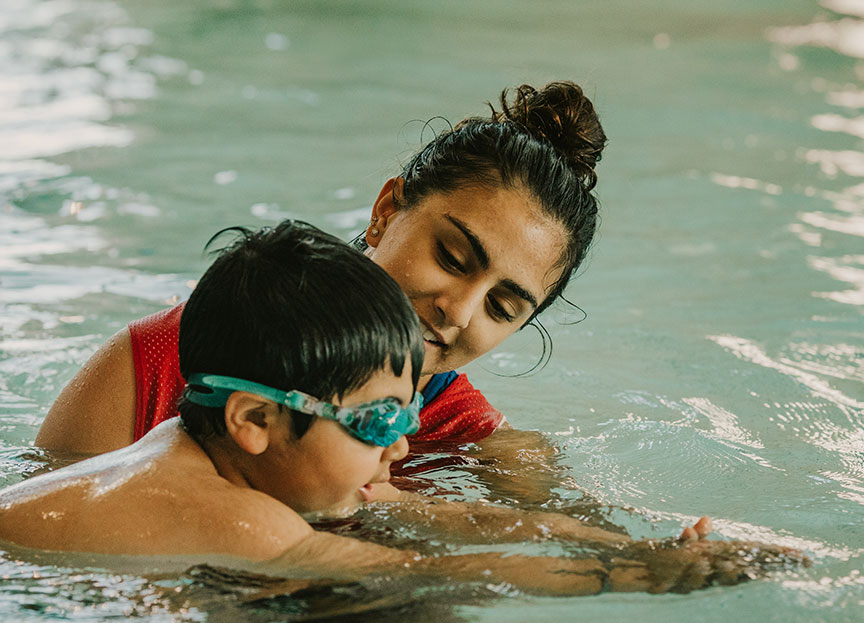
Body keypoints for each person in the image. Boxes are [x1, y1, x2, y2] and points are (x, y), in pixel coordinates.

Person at [0, 221, 805, 593]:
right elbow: (432, 575)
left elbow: (464, 527)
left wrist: (641, 540)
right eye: (382, 422)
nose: (399, 450)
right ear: (253, 422)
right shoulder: (248, 523)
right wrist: (646, 578)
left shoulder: (188, 448)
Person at [34, 80, 607, 461]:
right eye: (451, 258)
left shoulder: (465, 444)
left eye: (502, 308)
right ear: (386, 211)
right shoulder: (156, 368)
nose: (458, 310)